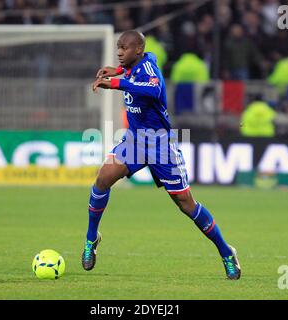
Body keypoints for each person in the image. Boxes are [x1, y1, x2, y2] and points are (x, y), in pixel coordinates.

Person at [84, 30, 241, 280]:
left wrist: (116, 82)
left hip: (160, 145)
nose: (119, 51)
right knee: (103, 178)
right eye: (118, 47)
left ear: (138, 50)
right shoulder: (140, 62)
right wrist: (119, 71)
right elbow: (146, 62)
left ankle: (226, 252)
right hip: (134, 141)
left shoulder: (150, 72)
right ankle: (91, 238)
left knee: (186, 204)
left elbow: (151, 91)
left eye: (125, 48)